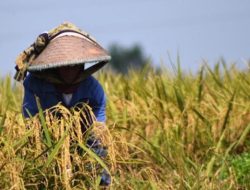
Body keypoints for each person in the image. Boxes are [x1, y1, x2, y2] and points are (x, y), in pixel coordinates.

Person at [14, 22, 111, 186]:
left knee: (97, 158)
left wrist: (85, 140)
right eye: (64, 66)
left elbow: (98, 130)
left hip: (83, 137)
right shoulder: (35, 85)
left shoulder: (93, 90)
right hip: (47, 141)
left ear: (82, 65)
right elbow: (30, 122)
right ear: (56, 67)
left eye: (74, 66)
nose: (69, 70)